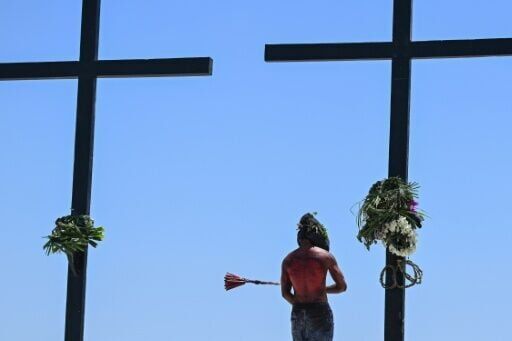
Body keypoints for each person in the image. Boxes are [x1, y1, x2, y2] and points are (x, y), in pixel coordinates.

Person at [281, 213, 347, 341]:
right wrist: (322, 289)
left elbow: (285, 293)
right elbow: (342, 286)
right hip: (319, 312)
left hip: (298, 313)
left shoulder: (288, 260)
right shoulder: (325, 257)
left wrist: (299, 305)